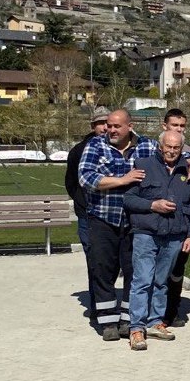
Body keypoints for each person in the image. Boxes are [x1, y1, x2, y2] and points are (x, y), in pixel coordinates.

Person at [79, 109, 190, 341]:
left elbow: (172, 150)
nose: (111, 130)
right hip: (104, 217)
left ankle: (128, 320)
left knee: (134, 273)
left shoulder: (146, 145)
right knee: (104, 269)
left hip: (134, 222)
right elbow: (86, 178)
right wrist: (123, 180)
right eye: (108, 126)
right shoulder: (95, 145)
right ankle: (107, 321)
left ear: (129, 126)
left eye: (116, 126)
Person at [122, 130, 190, 351]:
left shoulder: (187, 170)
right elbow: (128, 199)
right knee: (142, 280)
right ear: (160, 146)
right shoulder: (143, 165)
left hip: (174, 234)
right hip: (146, 232)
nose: (172, 151)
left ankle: (155, 322)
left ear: (181, 149)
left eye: (176, 148)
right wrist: (152, 205)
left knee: (161, 281)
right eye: (168, 146)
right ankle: (136, 327)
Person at [65, 106, 109, 320]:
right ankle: (96, 306)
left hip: (114, 214)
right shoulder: (79, 150)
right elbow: (71, 183)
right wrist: (83, 203)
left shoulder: (120, 147)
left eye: (108, 123)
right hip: (88, 216)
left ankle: (114, 307)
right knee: (95, 261)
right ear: (93, 126)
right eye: (101, 123)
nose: (105, 127)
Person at [160, 108, 190, 327]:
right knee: (157, 271)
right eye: (174, 125)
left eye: (182, 126)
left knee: (177, 271)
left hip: (182, 222)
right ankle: (155, 311)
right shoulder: (155, 149)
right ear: (164, 126)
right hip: (157, 223)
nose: (179, 129)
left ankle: (172, 311)